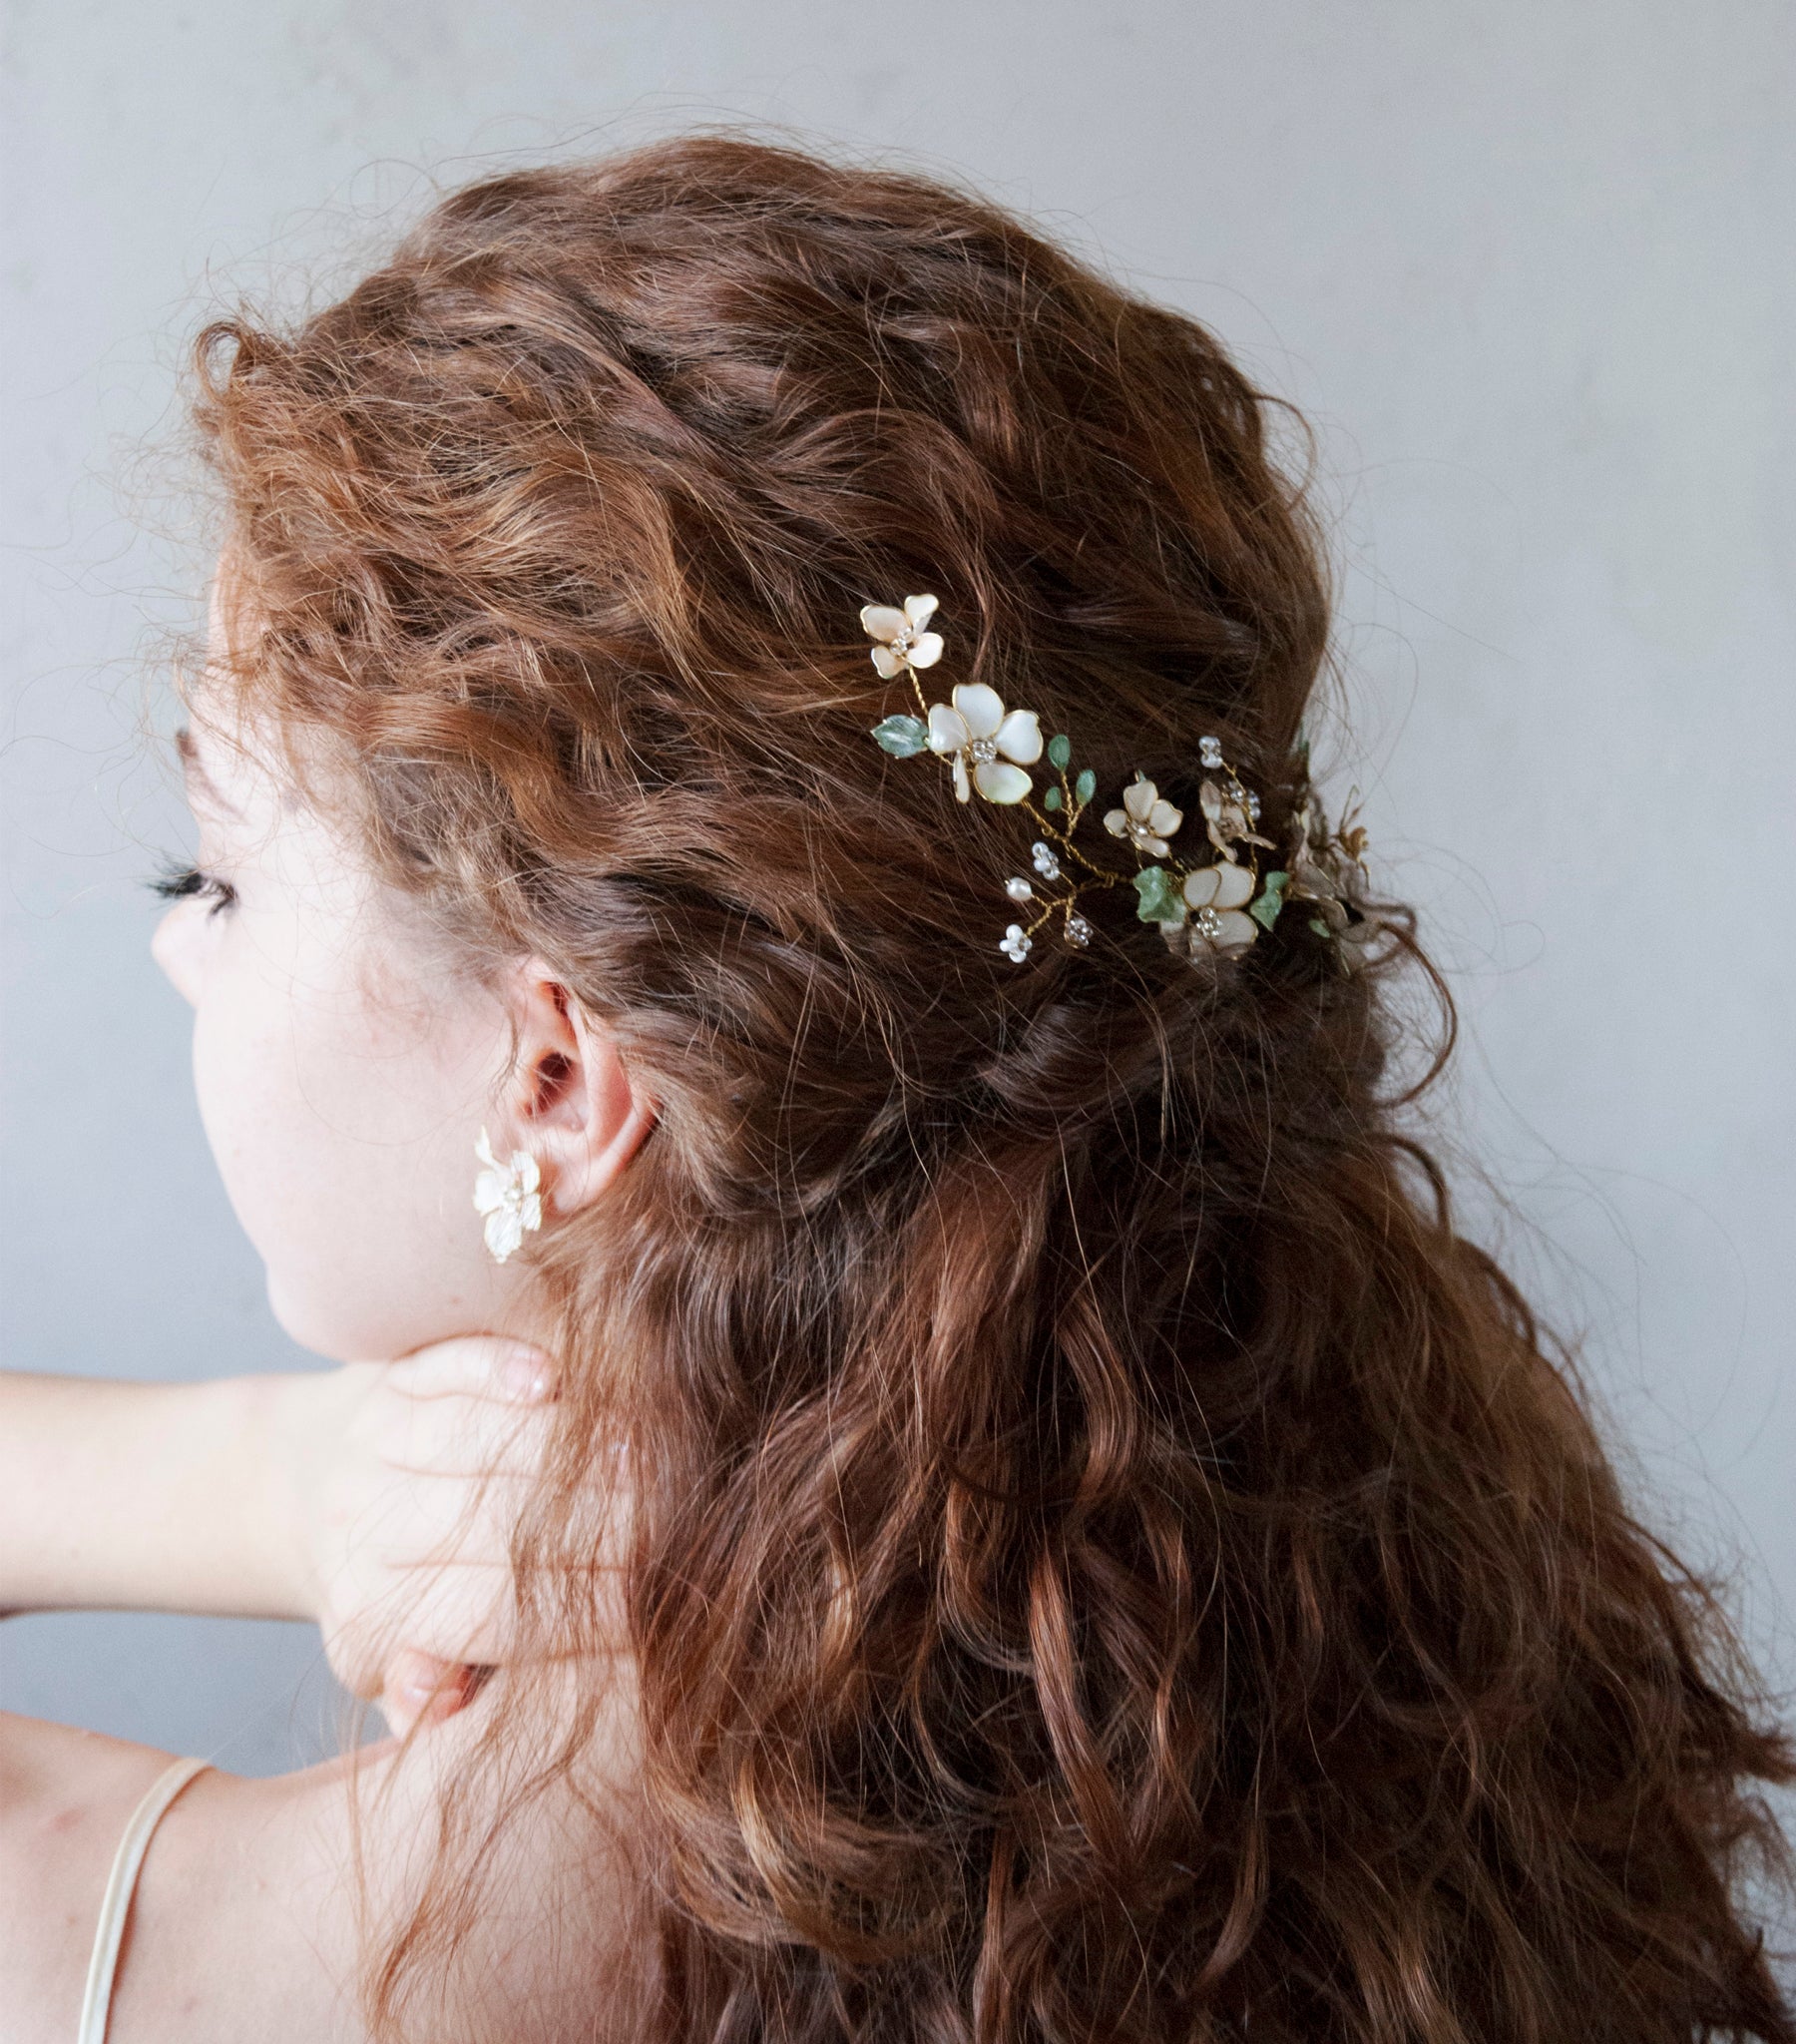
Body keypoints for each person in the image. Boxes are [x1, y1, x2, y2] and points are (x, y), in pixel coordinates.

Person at [1, 133, 1790, 2044]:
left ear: (553, 1074)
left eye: (219, 875)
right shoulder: (1355, 1594)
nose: (182, 945)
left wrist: (255, 1484)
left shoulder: (309, 1943)